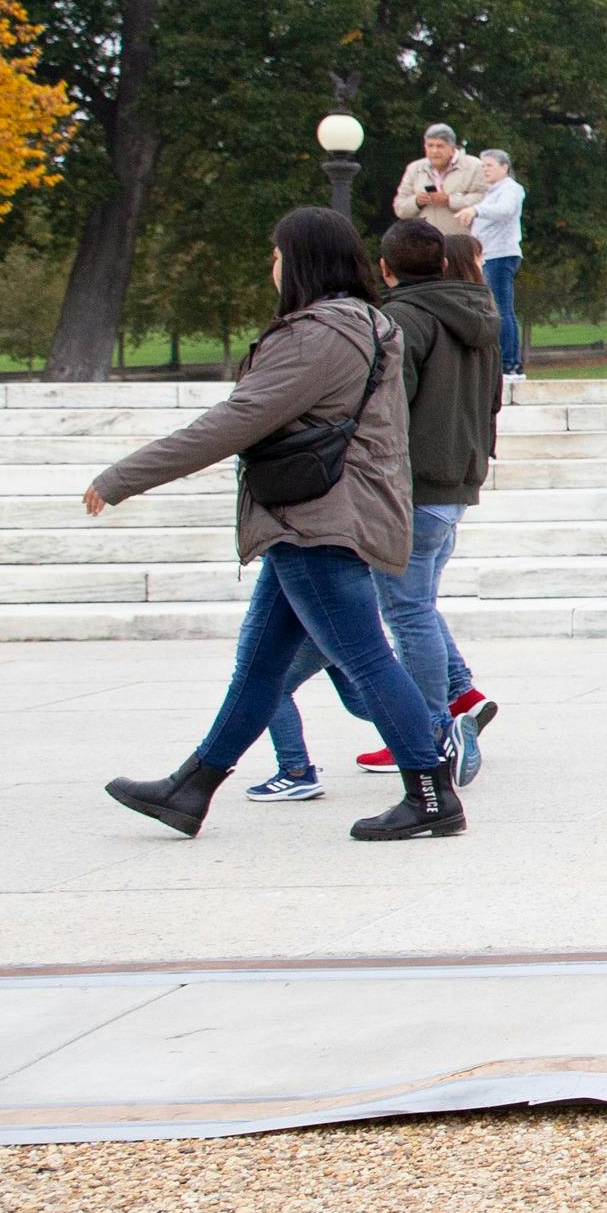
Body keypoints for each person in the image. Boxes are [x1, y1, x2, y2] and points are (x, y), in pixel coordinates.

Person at [87, 207, 464, 843]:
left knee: (367, 659)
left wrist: (124, 476)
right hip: (319, 516)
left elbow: (236, 420)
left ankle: (431, 793)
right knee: (262, 667)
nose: (273, 264)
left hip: (315, 519)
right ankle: (191, 789)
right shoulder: (368, 323)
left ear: (303, 261)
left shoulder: (318, 334)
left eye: (278, 253)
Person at [257, 222, 506, 799]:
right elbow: (492, 398)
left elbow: (389, 407)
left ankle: (432, 732)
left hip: (413, 485)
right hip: (458, 480)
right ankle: (454, 700)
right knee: (405, 608)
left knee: (402, 613)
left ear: (386, 269)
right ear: (442, 264)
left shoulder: (399, 321)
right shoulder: (481, 316)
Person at [471, 147, 527, 376]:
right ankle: (503, 360)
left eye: (489, 165)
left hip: (501, 254)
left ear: (504, 167)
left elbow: (504, 211)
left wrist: (475, 210)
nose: (485, 170)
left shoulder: (511, 189)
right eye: (482, 166)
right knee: (494, 308)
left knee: (502, 308)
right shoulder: (490, 191)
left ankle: (509, 361)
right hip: (488, 255)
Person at [394, 124, 489, 244]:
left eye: (440, 146)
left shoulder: (475, 166)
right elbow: (399, 208)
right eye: (430, 145)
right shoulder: (414, 169)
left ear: (452, 148)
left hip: (462, 243)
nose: (434, 151)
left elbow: (485, 201)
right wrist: (417, 202)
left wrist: (449, 200)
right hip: (425, 243)